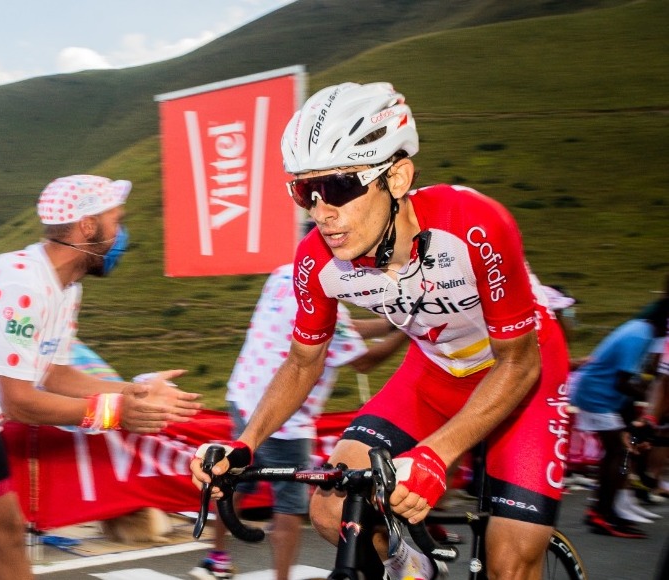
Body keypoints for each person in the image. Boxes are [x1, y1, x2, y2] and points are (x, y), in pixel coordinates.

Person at [191, 82, 570, 580]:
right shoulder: (315, 262)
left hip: (522, 375)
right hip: (434, 374)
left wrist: (436, 456)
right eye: (306, 191)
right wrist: (246, 443)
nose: (321, 211)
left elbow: (519, 363)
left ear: (397, 177)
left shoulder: (474, 224)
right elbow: (304, 362)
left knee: (509, 561)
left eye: (341, 187)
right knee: (332, 510)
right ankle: (412, 569)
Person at [0, 174, 202, 580]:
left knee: (8, 535)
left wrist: (139, 390)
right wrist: (116, 414)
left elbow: (55, 373)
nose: (123, 234)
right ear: (87, 227)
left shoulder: (65, 288)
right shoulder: (20, 284)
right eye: (117, 221)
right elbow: (20, 402)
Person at [198, 262, 408, 580]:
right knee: (290, 507)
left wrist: (386, 325)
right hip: (285, 418)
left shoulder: (284, 273)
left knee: (231, 480)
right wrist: (408, 330)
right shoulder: (330, 302)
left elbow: (344, 328)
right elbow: (365, 361)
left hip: (244, 395)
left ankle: (216, 558)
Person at [569, 276, 668, 538]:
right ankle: (604, 514)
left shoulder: (642, 330)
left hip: (602, 395)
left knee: (617, 453)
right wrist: (646, 401)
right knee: (619, 453)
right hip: (597, 396)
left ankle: (602, 510)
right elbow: (624, 381)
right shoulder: (640, 335)